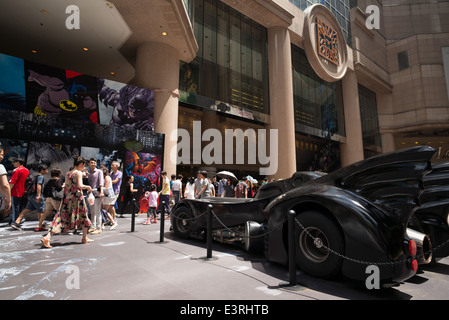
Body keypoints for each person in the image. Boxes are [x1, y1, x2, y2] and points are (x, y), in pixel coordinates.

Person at [40, 156, 93, 248]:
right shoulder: (78, 173)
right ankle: (84, 238)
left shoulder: (68, 173)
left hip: (67, 198)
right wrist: (87, 187)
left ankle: (48, 237)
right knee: (83, 216)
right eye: (83, 165)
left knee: (61, 217)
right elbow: (80, 185)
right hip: (77, 199)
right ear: (81, 164)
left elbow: (67, 185)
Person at [12, 164, 48, 230]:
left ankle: (17, 222)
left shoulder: (34, 176)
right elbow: (38, 185)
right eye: (46, 170)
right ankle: (40, 225)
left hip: (31, 196)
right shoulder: (40, 177)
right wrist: (39, 195)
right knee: (41, 211)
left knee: (27, 209)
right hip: (36, 196)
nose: (47, 171)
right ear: (42, 170)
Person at [8, 157, 28, 224]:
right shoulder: (26, 170)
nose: (13, 163)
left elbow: (12, 182)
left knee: (15, 207)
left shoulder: (16, 170)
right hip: (22, 190)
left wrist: (8, 192)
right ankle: (20, 219)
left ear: (18, 163)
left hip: (15, 191)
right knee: (19, 206)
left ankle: (15, 221)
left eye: (14, 162)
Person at [87, 158, 104, 234]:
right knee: (92, 210)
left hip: (97, 193)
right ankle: (93, 226)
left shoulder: (99, 171)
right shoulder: (89, 173)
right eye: (91, 163)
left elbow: (101, 182)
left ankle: (99, 227)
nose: (93, 164)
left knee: (97, 210)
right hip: (90, 193)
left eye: (94, 163)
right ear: (89, 164)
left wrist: (101, 192)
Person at [100, 166, 118, 230]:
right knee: (104, 210)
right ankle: (103, 224)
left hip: (107, 196)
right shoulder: (106, 177)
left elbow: (106, 187)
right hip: (108, 196)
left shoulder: (106, 178)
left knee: (104, 210)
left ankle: (112, 222)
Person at [0, 147, 11, 213]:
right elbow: (5, 185)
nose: (3, 157)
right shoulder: (0, 167)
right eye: (1, 155)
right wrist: (8, 200)